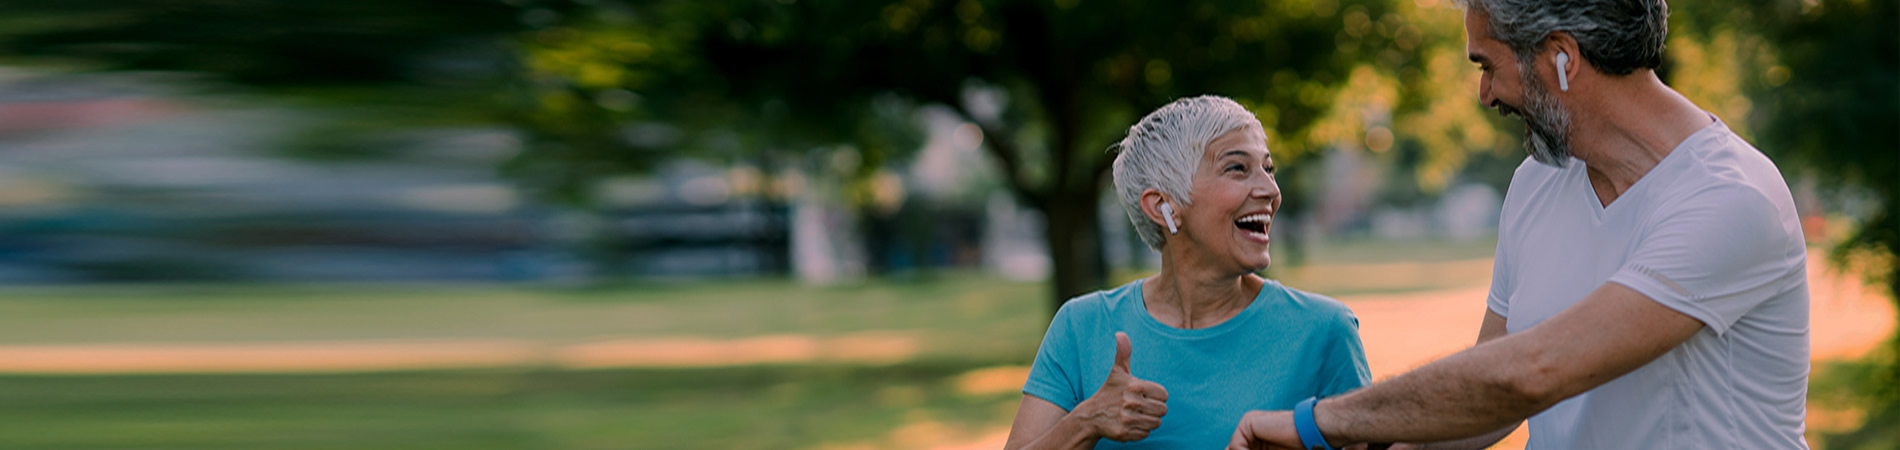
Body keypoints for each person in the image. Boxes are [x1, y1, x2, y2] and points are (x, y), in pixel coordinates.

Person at [1228, 0, 1810, 449]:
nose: (1484, 95)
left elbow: (1532, 372)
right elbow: (1491, 399)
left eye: (1488, 64)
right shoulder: (1538, 183)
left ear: (1561, 55)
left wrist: (1316, 424)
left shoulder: (1728, 198)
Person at [1003, 95, 1372, 449]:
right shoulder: (1081, 327)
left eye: (1268, 168)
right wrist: (1086, 422)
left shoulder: (1325, 331)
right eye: (1237, 168)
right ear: (1164, 206)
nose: (1271, 190)